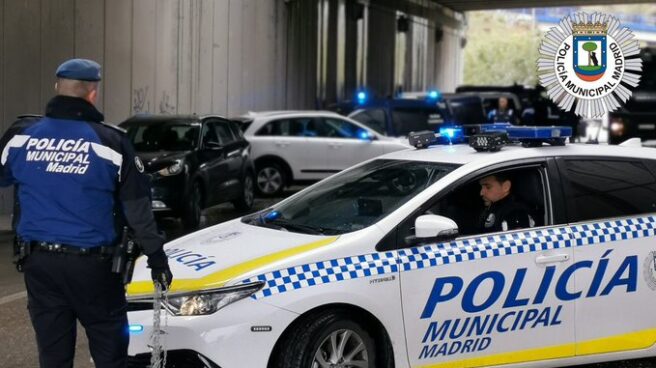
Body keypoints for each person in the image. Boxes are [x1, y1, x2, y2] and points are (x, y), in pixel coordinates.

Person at [0, 58, 172, 368]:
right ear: (93, 92)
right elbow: (138, 212)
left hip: (39, 265)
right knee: (110, 355)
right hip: (94, 269)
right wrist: (156, 257)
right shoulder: (112, 142)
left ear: (56, 87)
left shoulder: (21, 136)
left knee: (53, 358)